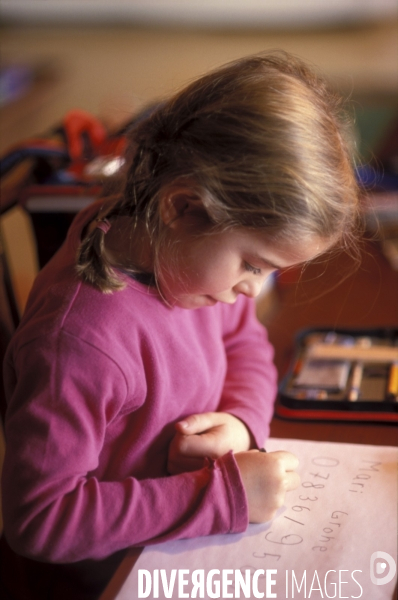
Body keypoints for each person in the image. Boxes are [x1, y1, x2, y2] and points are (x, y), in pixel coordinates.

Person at [1, 52, 359, 598]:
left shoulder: (188, 260)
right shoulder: (78, 344)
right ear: (183, 205)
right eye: (253, 263)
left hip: (179, 544)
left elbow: (245, 342)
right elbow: (40, 518)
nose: (252, 290)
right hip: (114, 576)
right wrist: (220, 498)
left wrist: (241, 423)